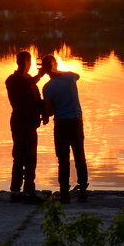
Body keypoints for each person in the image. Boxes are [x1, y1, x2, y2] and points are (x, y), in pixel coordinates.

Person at [39, 53, 89, 203]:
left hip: (61, 123)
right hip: (76, 121)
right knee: (80, 157)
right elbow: (78, 75)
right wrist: (57, 71)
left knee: (63, 159)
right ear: (56, 65)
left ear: (44, 70)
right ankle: (83, 192)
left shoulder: (47, 88)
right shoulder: (70, 77)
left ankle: (65, 194)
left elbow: (49, 112)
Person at [5, 51, 47, 204]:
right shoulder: (12, 80)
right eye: (27, 61)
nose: (28, 65)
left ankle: (27, 190)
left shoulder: (29, 80)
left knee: (30, 158)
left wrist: (45, 113)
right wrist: (40, 75)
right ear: (23, 62)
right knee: (22, 157)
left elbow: (37, 99)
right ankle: (21, 192)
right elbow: (23, 87)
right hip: (20, 122)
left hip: (30, 123)